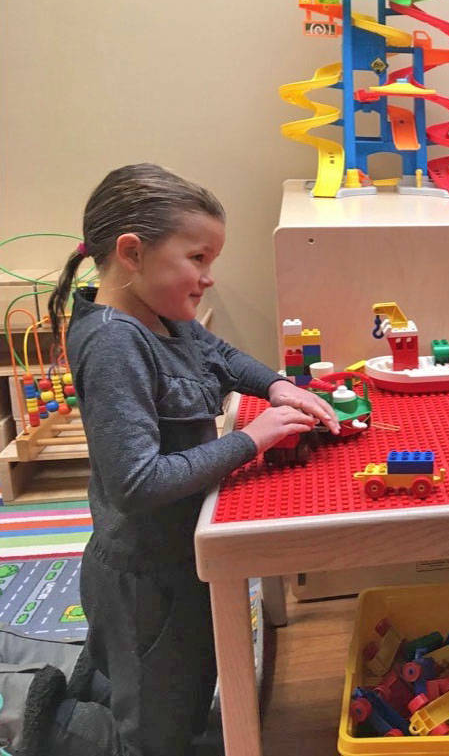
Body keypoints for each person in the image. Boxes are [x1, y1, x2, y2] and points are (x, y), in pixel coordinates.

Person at [17, 163, 339, 756]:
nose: (208, 277)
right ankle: (48, 723)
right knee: (153, 736)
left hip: (180, 552)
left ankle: (101, 690)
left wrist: (275, 386)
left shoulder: (163, 315)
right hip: (145, 574)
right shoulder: (116, 343)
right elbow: (136, 482)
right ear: (132, 253)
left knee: (178, 690)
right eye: (197, 259)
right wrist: (253, 438)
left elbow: (221, 355)